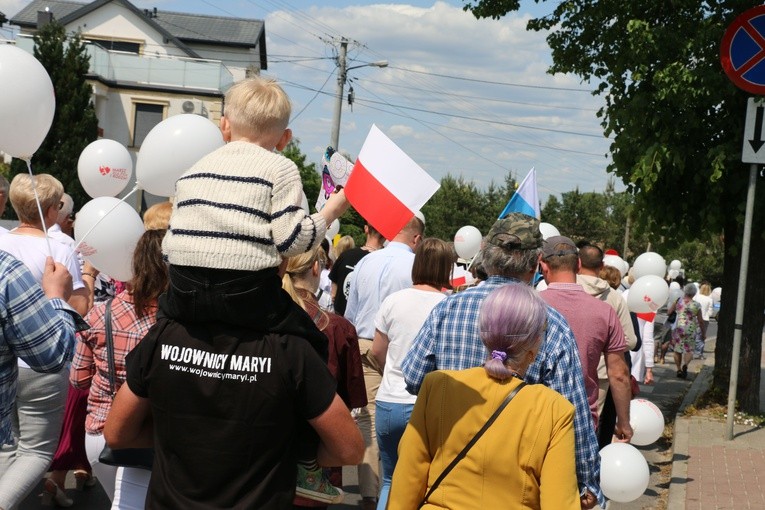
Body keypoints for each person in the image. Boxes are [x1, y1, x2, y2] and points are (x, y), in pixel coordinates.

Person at [103, 75, 362, 508]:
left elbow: (118, 431)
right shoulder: (280, 167)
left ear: (225, 126)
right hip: (248, 294)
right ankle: (303, 461)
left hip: (183, 292)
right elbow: (290, 239)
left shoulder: (193, 170)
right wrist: (332, 208)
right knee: (314, 340)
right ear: (285, 137)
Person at [401, 213, 604, 509]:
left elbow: (414, 378)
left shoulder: (448, 308)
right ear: (536, 264)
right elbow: (572, 416)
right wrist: (588, 482)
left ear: (485, 254)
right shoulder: (551, 324)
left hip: (446, 480)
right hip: (516, 487)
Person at [388, 284, 580, 510]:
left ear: (483, 334)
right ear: (535, 345)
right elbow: (560, 503)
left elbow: (408, 476)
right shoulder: (554, 409)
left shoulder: (437, 386)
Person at [0, 174, 91, 508]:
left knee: (8, 445)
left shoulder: (1, 243)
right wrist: (85, 282)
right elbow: (78, 306)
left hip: (7, 359)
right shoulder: (60, 247)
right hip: (43, 360)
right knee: (36, 451)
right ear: (52, 210)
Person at [70, 229, 169, 507]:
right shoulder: (171, 324)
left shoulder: (101, 313)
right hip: (146, 434)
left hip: (99, 434)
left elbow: (77, 379)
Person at [344, 213, 424, 510]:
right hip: (401, 345)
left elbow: (350, 313)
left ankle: (369, 493)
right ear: (416, 239)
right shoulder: (415, 265)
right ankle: (399, 491)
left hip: (365, 343)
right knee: (406, 416)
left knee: (368, 419)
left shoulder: (366, 261)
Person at [370, 238, 452, 510]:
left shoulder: (393, 301)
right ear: (446, 269)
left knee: (390, 481)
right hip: (428, 404)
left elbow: (378, 350)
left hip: (389, 401)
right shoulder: (449, 305)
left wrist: (391, 370)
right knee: (427, 485)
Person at [282, 245, 368, 507]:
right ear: (316, 268)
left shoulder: (263, 321)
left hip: (262, 462)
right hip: (317, 469)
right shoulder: (338, 328)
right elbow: (351, 400)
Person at [538, 236, 632, 439]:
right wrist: (623, 421)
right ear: (578, 265)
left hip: (535, 416)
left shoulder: (528, 305)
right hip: (581, 419)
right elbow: (619, 374)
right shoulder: (605, 311)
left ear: (543, 266)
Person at [329, 223, 385, 316]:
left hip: (339, 320)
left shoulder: (345, 255)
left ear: (366, 229)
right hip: (365, 323)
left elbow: (333, 294)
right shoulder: (384, 263)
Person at [668, 283, 706, 379]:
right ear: (694, 293)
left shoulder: (678, 301)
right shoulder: (697, 305)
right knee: (689, 350)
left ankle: (678, 369)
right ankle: (686, 365)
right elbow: (701, 321)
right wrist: (703, 333)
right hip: (691, 329)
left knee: (677, 350)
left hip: (679, 328)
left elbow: (669, 312)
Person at [693, 283, 713, 359]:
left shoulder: (696, 297)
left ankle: (693, 351)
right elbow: (710, 312)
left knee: (694, 335)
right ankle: (699, 353)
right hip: (704, 318)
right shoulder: (709, 300)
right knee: (701, 336)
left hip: (695, 318)